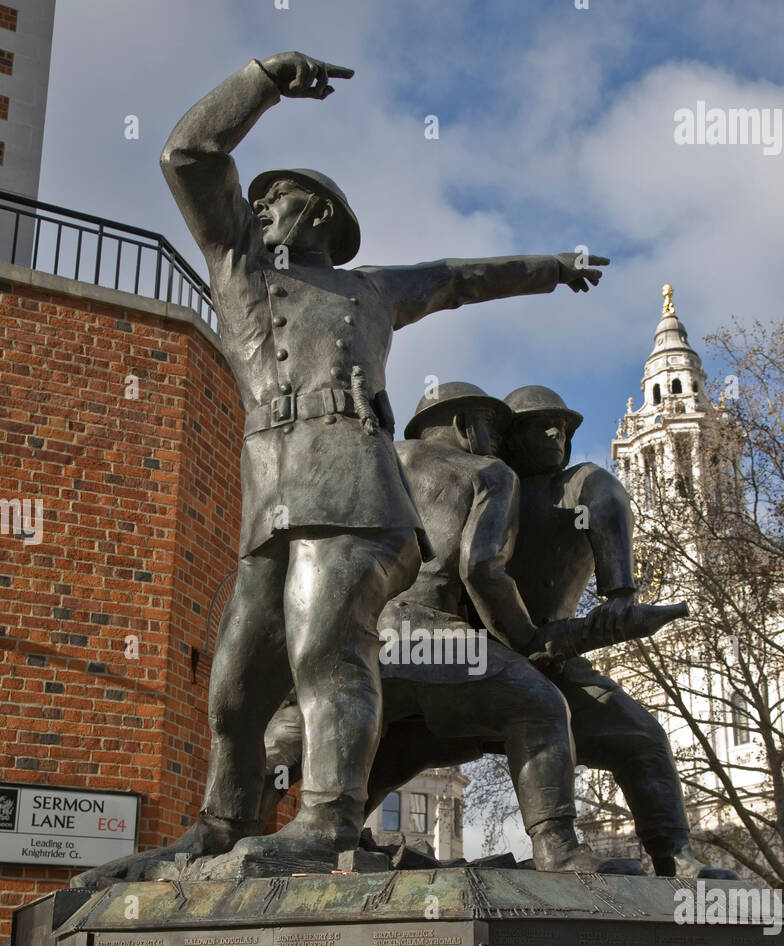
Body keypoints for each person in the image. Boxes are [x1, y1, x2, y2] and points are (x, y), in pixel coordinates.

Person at [78, 51, 608, 884]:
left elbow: (461, 279)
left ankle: (329, 820)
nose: (257, 207)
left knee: (329, 651)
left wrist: (554, 268)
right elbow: (187, 155)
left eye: (274, 198)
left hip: (358, 498)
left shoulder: (367, 291)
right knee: (235, 690)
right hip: (273, 502)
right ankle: (220, 826)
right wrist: (263, 80)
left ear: (315, 211)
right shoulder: (241, 269)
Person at [256, 383, 597, 871]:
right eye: (492, 429)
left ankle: (235, 827)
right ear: (464, 425)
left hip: (355, 637)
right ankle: (559, 850)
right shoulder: (488, 473)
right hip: (428, 635)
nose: (499, 442)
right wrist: (527, 642)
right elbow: (483, 570)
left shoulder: (370, 460)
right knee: (542, 709)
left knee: (294, 733)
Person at [502, 385, 736, 878]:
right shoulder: (489, 487)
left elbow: (605, 496)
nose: (555, 434)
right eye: (541, 424)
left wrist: (620, 591)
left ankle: (673, 857)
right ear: (510, 435)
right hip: (483, 656)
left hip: (551, 660)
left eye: (563, 427)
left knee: (642, 737)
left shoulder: (578, 485)